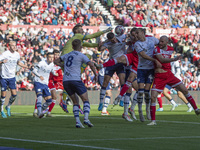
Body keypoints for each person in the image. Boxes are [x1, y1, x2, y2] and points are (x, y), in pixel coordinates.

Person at [149, 36, 200, 125]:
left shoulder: (170, 49)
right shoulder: (157, 49)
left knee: (184, 90)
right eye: (160, 41)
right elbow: (161, 60)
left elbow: (177, 47)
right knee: (153, 97)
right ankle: (153, 121)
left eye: (162, 41)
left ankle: (196, 109)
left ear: (167, 42)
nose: (160, 43)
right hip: (159, 76)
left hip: (169, 74)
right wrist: (174, 59)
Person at [55, 39, 98, 128]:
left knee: (75, 102)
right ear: (81, 47)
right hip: (76, 80)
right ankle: (86, 119)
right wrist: (96, 75)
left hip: (66, 81)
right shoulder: (81, 55)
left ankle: (78, 122)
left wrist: (63, 65)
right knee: (85, 100)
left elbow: (56, 61)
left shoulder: (67, 55)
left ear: (72, 47)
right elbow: (91, 64)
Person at [97, 32, 126, 112]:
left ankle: (122, 99)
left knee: (122, 80)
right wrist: (100, 45)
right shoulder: (108, 43)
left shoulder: (121, 38)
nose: (113, 41)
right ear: (109, 39)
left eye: (114, 39)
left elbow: (127, 36)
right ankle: (101, 102)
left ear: (115, 36)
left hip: (120, 63)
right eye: (111, 40)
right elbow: (100, 49)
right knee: (105, 82)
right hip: (112, 63)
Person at [0, 41, 28, 118]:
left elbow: (18, 62)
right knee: (3, 95)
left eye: (15, 45)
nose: (14, 47)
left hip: (12, 77)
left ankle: (8, 106)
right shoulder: (5, 54)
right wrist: (2, 61)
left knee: (14, 95)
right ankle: (1, 109)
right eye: (12, 45)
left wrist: (25, 66)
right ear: (9, 46)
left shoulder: (17, 54)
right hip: (4, 76)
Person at [32, 53, 55, 118]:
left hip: (45, 83)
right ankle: (39, 113)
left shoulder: (52, 64)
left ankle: (40, 111)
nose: (51, 59)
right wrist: (39, 76)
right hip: (38, 81)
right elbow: (34, 70)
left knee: (49, 101)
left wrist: (54, 73)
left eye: (52, 57)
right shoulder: (41, 63)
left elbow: (52, 70)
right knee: (39, 97)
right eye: (50, 57)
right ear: (47, 57)